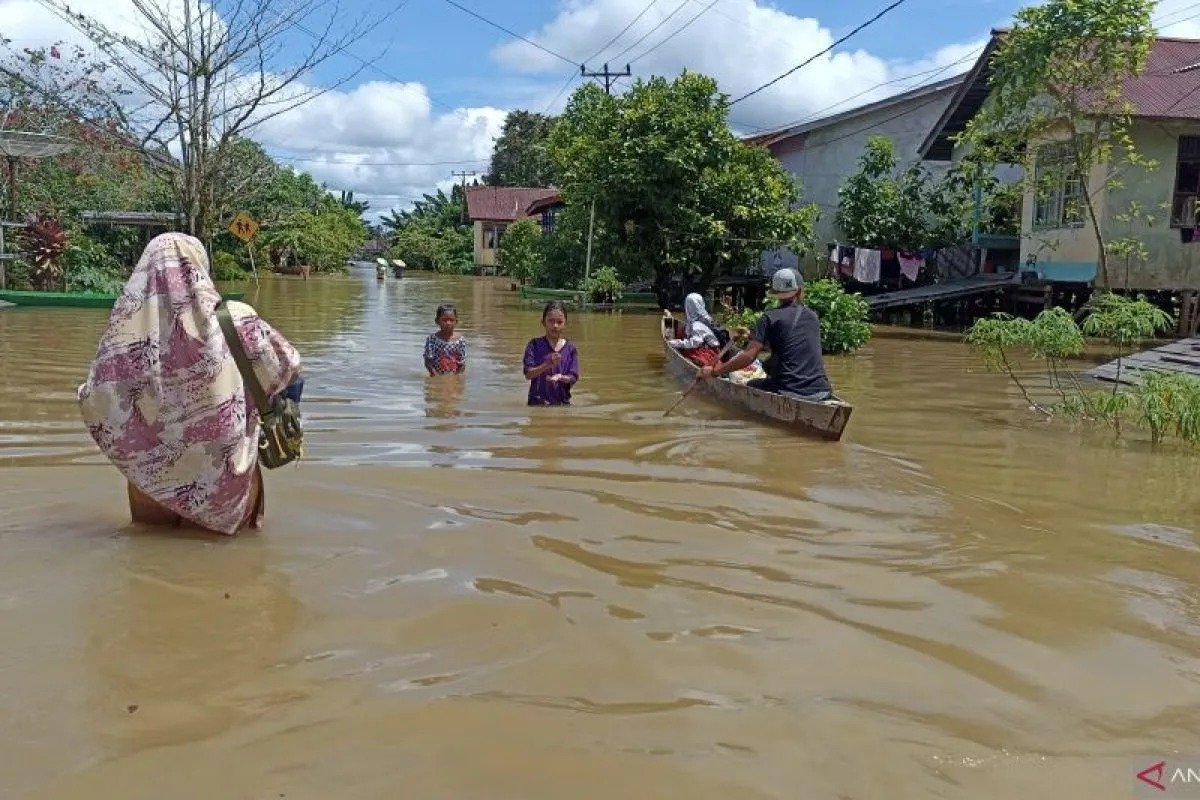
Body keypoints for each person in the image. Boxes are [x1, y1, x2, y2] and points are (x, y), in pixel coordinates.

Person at [77, 232, 302, 536]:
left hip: (151, 481)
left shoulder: (124, 333)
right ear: (199, 267)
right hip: (224, 477)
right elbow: (288, 372)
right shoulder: (237, 319)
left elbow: (95, 397)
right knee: (237, 568)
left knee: (149, 563)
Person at [699, 267, 833, 401]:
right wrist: (752, 335)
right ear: (799, 291)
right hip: (822, 389)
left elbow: (748, 357)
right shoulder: (813, 316)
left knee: (751, 384)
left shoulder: (769, 317)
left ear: (775, 293)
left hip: (788, 390)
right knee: (768, 363)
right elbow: (788, 343)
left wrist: (715, 371)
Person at [523, 301, 579, 406]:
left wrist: (561, 377)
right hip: (537, 405)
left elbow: (573, 377)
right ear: (543, 322)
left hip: (562, 405)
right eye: (551, 321)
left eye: (559, 322)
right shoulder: (534, 345)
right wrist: (547, 364)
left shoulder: (571, 349)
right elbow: (528, 374)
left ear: (565, 324)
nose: (555, 325)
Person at [667, 292, 723, 367]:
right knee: (683, 331)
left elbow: (695, 343)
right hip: (711, 349)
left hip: (707, 353)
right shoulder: (705, 320)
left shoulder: (697, 325)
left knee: (689, 354)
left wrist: (675, 343)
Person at [424, 303, 467, 375]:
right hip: (436, 374)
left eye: (451, 320)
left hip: (454, 374)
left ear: (456, 321)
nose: (448, 323)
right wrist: (436, 378)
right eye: (444, 320)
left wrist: (456, 379)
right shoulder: (432, 340)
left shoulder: (460, 340)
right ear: (437, 321)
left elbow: (462, 364)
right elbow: (428, 362)